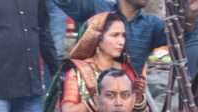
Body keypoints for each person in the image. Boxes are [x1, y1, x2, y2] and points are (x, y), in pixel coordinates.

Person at [54, 0, 198, 74]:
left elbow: (181, 37)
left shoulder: (151, 25)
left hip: (126, 105)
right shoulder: (97, 8)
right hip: (89, 99)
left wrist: (191, 14)